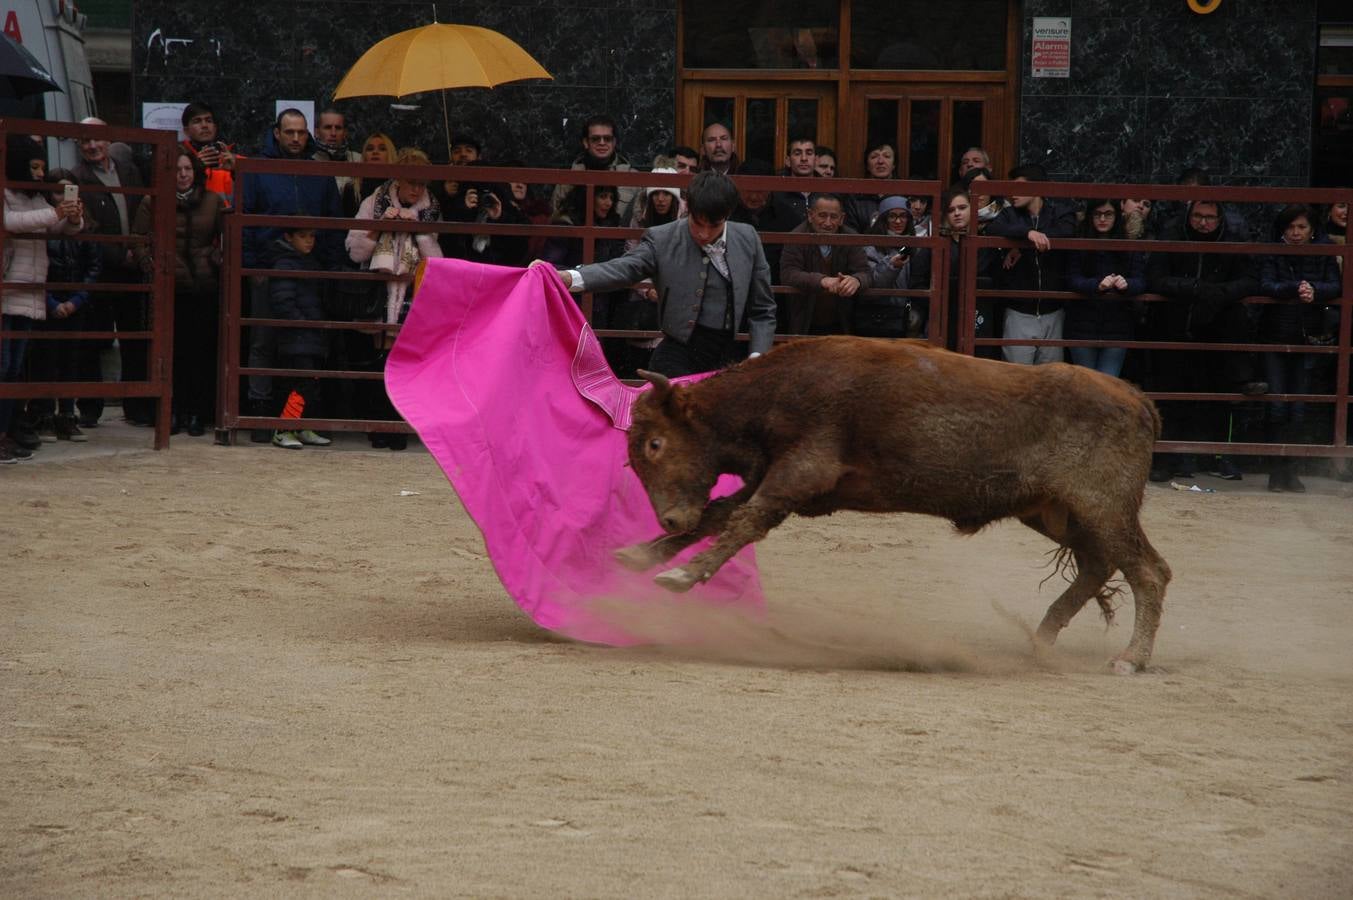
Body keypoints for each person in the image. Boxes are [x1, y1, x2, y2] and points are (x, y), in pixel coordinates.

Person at [548, 170, 774, 377]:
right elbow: (624, 268)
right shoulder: (663, 238)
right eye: (697, 223)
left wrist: (757, 357)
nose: (704, 233)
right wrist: (569, 277)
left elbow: (762, 310)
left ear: (727, 216)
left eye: (713, 225)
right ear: (689, 209)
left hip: (731, 358)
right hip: (678, 354)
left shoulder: (747, 238)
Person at [238, 108, 344, 438]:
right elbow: (244, 221)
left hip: (310, 271)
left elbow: (334, 222)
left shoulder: (319, 172)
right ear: (277, 133)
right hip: (268, 268)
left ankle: (298, 418)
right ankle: (260, 414)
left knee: (305, 346)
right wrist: (252, 266)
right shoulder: (257, 169)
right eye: (289, 132)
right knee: (263, 341)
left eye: (301, 132)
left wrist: (330, 267)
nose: (296, 138)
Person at [1146, 199, 1263, 482]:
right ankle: (1168, 459)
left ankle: (1220, 457)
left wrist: (1219, 293)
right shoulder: (1172, 236)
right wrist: (1194, 287)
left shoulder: (1233, 242)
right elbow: (1156, 278)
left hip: (1218, 332)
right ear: (1188, 215)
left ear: (1220, 219)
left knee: (1219, 398)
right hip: (1173, 329)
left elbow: (1250, 280)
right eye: (1198, 216)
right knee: (1172, 397)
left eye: (1209, 217)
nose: (1203, 222)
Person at [345, 148, 443, 449]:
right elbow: (354, 251)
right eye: (412, 182)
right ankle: (377, 425)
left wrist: (419, 229)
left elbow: (437, 261)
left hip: (413, 294)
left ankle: (399, 427)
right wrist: (380, 227)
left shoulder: (431, 209)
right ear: (398, 179)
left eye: (422, 183)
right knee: (377, 359)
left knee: (405, 362)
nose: (417, 189)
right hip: (377, 293)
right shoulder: (373, 202)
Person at [131, 150, 224, 436]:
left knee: (201, 352)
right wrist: (151, 265)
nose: (183, 175)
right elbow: (138, 239)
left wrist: (215, 258)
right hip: (169, 289)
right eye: (177, 169)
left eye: (188, 169)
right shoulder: (152, 201)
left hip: (204, 287)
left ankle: (197, 413)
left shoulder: (213, 201)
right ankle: (171, 411)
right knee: (171, 353)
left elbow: (227, 237)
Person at [1, 135, 83, 463]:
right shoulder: (6, 194)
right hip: (8, 290)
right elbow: (11, 223)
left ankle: (5, 433)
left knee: (13, 370)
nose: (39, 174)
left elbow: (57, 228)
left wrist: (72, 218)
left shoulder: (36, 198)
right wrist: (56, 213)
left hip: (28, 291)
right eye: (34, 167)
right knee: (3, 367)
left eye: (41, 168)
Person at [1257, 204, 1340, 492]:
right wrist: (1296, 288)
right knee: (1277, 405)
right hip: (1276, 335)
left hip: (1308, 337)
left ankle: (1291, 471)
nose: (1295, 233)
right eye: (1290, 227)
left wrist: (1314, 290)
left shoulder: (1324, 251)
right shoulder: (1273, 252)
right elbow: (1266, 284)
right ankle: (1276, 472)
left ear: (1312, 229)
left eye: (1301, 227)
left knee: (1298, 408)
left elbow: (1336, 285)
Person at [74, 117, 150, 427]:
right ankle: (90, 407)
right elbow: (87, 226)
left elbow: (144, 211)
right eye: (85, 141)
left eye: (97, 139)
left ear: (108, 139)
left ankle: (137, 406)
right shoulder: (77, 177)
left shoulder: (129, 171)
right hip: (98, 270)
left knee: (135, 339)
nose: (92, 145)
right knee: (92, 339)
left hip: (132, 268)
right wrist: (119, 253)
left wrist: (138, 249)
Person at [25, 169, 98, 443]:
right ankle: (43, 414)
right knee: (45, 358)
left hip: (75, 301)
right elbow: (35, 266)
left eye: (68, 191)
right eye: (57, 191)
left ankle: (67, 415)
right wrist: (52, 302)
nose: (63, 197)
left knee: (71, 360)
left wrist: (76, 300)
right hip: (46, 299)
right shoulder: (43, 222)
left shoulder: (86, 224)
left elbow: (93, 267)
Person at [984, 164, 1077, 364]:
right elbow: (993, 228)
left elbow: (1066, 232)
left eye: (1018, 187)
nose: (1012, 194)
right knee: (1017, 376)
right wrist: (1027, 234)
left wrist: (1023, 247)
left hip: (1053, 311)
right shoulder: (1010, 214)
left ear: (1036, 188)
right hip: (1019, 312)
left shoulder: (1059, 212)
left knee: (1051, 377)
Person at [1063, 199, 1145, 378]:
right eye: (1097, 214)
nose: (1102, 219)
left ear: (1117, 216)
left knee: (1108, 383)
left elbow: (1141, 281)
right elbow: (1071, 278)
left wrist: (1127, 284)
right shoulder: (1079, 243)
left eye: (1108, 214)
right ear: (1089, 216)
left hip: (1117, 328)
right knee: (1086, 384)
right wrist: (1097, 285)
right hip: (1082, 327)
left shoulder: (1129, 245)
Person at [266, 227, 332, 450]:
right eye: (302, 236)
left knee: (311, 381)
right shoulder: (284, 264)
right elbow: (283, 302)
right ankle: (283, 429)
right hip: (297, 334)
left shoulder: (309, 262)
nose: (309, 241)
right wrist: (303, 323)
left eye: (312, 236)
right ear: (288, 237)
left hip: (310, 333)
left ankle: (301, 427)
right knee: (300, 382)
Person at [779, 192, 873, 335]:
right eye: (822, 216)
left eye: (833, 217)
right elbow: (788, 274)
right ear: (810, 215)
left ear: (842, 219)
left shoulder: (850, 237)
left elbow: (866, 272)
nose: (828, 223)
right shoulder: (797, 236)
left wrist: (856, 280)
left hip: (842, 321)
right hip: (805, 322)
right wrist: (822, 281)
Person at [549, 115, 638, 225]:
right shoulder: (567, 179)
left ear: (614, 142)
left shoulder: (633, 178)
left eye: (607, 139)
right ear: (586, 142)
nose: (602, 143)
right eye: (595, 139)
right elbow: (556, 217)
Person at [857, 195, 922, 338]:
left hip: (904, 318)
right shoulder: (870, 249)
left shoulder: (914, 247)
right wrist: (891, 265)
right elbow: (873, 284)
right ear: (883, 219)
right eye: (892, 216)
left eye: (903, 216)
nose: (898, 221)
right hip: (876, 318)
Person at [179, 101, 239, 208]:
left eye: (209, 121)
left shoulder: (235, 160)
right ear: (186, 131)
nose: (204, 125)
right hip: (194, 216)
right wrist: (196, 167)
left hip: (227, 217)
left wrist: (235, 170)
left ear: (215, 128)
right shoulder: (177, 161)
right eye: (197, 121)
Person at [766, 136, 818, 232]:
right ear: (788, 161)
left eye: (809, 153)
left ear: (816, 160)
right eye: (797, 153)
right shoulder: (776, 193)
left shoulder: (827, 191)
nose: (804, 158)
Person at [844, 140, 897, 234]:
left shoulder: (903, 194)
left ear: (894, 165)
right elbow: (850, 231)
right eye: (874, 157)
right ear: (867, 166)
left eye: (886, 156)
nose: (880, 161)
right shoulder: (855, 198)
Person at [341, 132, 396, 217]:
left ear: (390, 154)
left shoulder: (398, 186)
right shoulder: (352, 189)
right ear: (364, 156)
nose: (375, 152)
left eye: (382, 149)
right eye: (370, 149)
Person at [312, 107, 363, 198]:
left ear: (345, 132)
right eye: (328, 127)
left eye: (338, 128)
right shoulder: (309, 160)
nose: (333, 133)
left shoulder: (358, 160)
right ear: (316, 132)